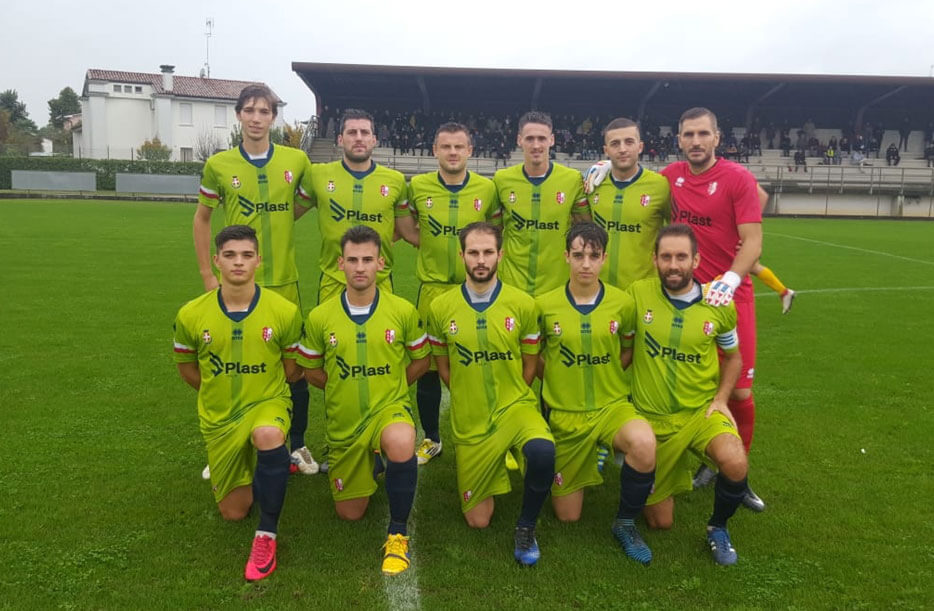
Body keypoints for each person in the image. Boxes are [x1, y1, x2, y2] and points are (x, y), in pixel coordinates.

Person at [582, 107, 765, 510]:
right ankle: (628, 442)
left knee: (739, 388)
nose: (696, 141)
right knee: (645, 369)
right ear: (679, 140)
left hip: (726, 294)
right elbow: (629, 175)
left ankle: (736, 474)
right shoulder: (670, 177)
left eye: (703, 134)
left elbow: (755, 224)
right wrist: (602, 167)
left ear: (717, 137)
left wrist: (732, 277)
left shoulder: (737, 177)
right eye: (689, 135)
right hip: (673, 290)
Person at [193, 84, 318, 478]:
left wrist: (281, 220)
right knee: (236, 366)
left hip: (284, 283)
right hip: (236, 287)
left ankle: (297, 444)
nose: (256, 118)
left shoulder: (296, 160)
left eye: (264, 111)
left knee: (294, 369)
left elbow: (307, 199)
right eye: (249, 110)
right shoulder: (219, 164)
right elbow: (202, 218)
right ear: (238, 115)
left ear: (273, 118)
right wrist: (207, 273)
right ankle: (229, 442)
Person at [296, 226, 430, 576]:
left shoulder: (401, 311)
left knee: (402, 439)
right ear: (340, 263)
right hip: (346, 421)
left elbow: (421, 360)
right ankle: (373, 462)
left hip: (389, 410)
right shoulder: (320, 317)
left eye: (367, 259)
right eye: (352, 260)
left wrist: (392, 387)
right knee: (350, 514)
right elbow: (310, 370)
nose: (360, 267)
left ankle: (397, 533)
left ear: (380, 263)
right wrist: (345, 387)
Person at [173, 225, 302, 581]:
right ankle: (270, 470)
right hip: (220, 416)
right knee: (234, 512)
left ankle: (267, 534)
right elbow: (188, 369)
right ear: (216, 261)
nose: (238, 262)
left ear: (258, 260)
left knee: (268, 435)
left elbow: (291, 369)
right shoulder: (191, 314)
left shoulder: (284, 311)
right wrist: (219, 391)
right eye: (230, 255)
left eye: (246, 255)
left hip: (267, 403)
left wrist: (262, 393)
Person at [427, 222, 555, 566]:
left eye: (487, 252)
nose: (480, 260)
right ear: (462, 255)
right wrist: (469, 397)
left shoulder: (522, 304)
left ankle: (526, 526)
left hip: (514, 407)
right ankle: (494, 457)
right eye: (473, 252)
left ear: (501, 254)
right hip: (471, 417)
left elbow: (530, 364)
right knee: (478, 521)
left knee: (542, 452)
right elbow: (444, 368)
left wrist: (513, 395)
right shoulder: (440, 307)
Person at [626, 223, 749, 565]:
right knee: (659, 522)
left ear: (696, 260)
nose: (673, 265)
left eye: (681, 257)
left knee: (736, 461)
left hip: (699, 414)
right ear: (654, 260)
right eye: (666, 257)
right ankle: (649, 466)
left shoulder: (718, 304)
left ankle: (718, 527)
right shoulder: (638, 294)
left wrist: (721, 399)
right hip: (654, 421)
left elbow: (734, 358)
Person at [537, 222, 657, 565]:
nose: (585, 264)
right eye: (578, 255)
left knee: (644, 443)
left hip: (611, 408)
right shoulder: (543, 305)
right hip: (566, 415)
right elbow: (535, 357)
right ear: (566, 257)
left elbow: (628, 349)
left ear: (604, 258)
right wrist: (559, 379)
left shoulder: (623, 303)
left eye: (593, 255)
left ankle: (625, 523)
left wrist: (606, 376)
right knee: (567, 516)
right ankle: (593, 451)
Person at [399, 122, 502, 466]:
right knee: (428, 368)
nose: (453, 152)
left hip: (476, 292)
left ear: (470, 150)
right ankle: (431, 437)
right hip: (432, 291)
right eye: (446, 146)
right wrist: (430, 245)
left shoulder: (487, 188)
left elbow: (495, 231)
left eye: (459, 146)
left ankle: (494, 432)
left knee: (484, 364)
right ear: (435, 151)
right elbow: (408, 228)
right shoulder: (419, 187)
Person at [297, 108, 414, 304]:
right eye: (352, 132)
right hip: (334, 279)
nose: (359, 138)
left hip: (379, 280)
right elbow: (287, 214)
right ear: (340, 139)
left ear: (374, 140)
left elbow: (407, 231)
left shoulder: (395, 180)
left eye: (364, 132)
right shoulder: (317, 174)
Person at [494, 111, 589, 297]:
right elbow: (493, 232)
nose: (536, 145)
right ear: (519, 140)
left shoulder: (572, 179)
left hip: (558, 287)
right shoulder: (501, 179)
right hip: (511, 285)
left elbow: (585, 227)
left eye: (542, 138)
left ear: (551, 140)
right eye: (530, 139)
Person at [585, 118, 670, 290]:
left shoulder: (661, 186)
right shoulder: (592, 184)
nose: (622, 149)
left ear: (640, 146)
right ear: (606, 150)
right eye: (615, 144)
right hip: (599, 290)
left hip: (643, 290)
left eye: (629, 142)